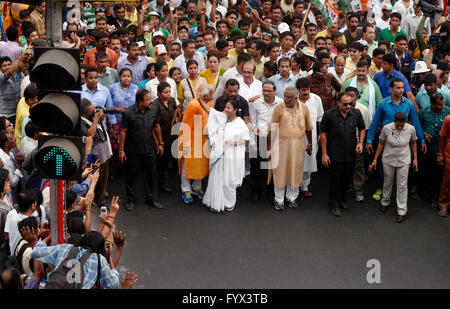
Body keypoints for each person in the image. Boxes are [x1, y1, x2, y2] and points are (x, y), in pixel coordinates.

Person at [366, 78, 427, 201]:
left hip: (404, 141)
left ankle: (399, 193)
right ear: (391, 89)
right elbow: (375, 122)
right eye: (398, 88)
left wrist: (422, 139)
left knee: (403, 168)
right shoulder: (383, 104)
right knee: (384, 168)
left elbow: (415, 122)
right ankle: (382, 189)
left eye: (402, 87)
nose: (401, 90)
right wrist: (369, 140)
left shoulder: (409, 104)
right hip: (386, 141)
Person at [196, 86, 250, 212]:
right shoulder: (222, 117)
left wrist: (234, 143)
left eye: (229, 108)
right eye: (225, 107)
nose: (226, 110)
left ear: (235, 110)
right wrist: (199, 99)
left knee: (229, 181)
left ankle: (229, 202)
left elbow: (246, 138)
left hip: (232, 156)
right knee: (217, 179)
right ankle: (214, 201)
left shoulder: (240, 123)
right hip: (219, 154)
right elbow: (209, 110)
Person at [320, 92, 366, 217]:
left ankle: (342, 199)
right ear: (338, 102)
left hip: (351, 153)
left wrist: (361, 142)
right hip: (334, 153)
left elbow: (362, 128)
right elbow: (323, 134)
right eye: (345, 104)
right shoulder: (329, 115)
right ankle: (333, 203)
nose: (348, 106)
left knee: (346, 179)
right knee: (335, 179)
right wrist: (324, 154)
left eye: (350, 103)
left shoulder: (356, 113)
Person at [267, 86, 313, 210]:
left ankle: (292, 198)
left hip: (298, 145)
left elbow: (309, 128)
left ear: (296, 97)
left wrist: (310, 144)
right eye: (285, 96)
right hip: (281, 145)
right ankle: (279, 200)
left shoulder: (304, 109)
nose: (286, 99)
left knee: (295, 171)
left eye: (289, 97)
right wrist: (269, 148)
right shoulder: (279, 108)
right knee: (280, 172)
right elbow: (272, 129)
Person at [119, 89, 164, 211]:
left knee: (152, 174)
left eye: (150, 99)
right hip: (133, 150)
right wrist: (121, 150)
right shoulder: (128, 113)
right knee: (131, 175)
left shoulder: (153, 109)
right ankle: (130, 200)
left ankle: (151, 199)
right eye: (148, 100)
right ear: (140, 102)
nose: (151, 101)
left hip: (149, 149)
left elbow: (156, 126)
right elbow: (123, 132)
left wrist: (160, 143)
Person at [368, 112, 418, 223]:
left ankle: (402, 210)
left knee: (402, 184)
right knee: (388, 181)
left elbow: (413, 143)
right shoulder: (386, 128)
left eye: (402, 124)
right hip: (388, 158)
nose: (400, 126)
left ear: (406, 122)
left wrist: (415, 159)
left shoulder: (411, 129)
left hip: (404, 159)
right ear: (394, 121)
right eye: (397, 124)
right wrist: (375, 159)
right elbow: (381, 143)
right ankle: (385, 202)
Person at [31, 231, 121, 288]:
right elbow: (113, 284)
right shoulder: (100, 260)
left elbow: (35, 252)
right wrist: (108, 258)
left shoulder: (65, 248)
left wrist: (47, 238)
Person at [178, 84, 212, 204]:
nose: (213, 96)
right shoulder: (193, 105)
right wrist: (185, 144)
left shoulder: (207, 103)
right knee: (186, 167)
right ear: (206, 95)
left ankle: (197, 187)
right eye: (211, 93)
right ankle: (185, 189)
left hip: (203, 141)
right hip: (191, 141)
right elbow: (186, 125)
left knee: (200, 167)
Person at [248, 80, 281, 203]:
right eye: (264, 90)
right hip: (259, 138)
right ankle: (256, 191)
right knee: (256, 167)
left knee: (272, 167)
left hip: (274, 138)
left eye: (269, 91)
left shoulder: (280, 103)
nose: (266, 93)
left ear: (274, 91)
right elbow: (253, 122)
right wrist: (252, 142)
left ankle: (270, 192)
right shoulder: (256, 103)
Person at [418, 92, 450, 205]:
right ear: (432, 104)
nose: (441, 107)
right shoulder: (423, 112)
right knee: (427, 171)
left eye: (442, 104)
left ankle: (437, 197)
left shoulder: (448, 111)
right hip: (428, 149)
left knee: (440, 175)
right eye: (438, 105)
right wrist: (425, 133)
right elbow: (417, 126)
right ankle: (425, 193)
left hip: (442, 150)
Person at [80, 99, 113, 208]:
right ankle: (85, 203)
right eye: (91, 110)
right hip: (93, 156)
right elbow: (90, 135)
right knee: (92, 179)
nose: (94, 111)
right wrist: (96, 119)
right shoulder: (81, 123)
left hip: (103, 154)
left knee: (103, 179)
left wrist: (99, 119)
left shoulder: (92, 118)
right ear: (84, 114)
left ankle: (100, 200)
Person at [296, 78, 324, 198]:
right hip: (295, 138)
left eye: (308, 89)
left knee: (309, 161)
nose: (306, 92)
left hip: (311, 138)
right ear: (298, 90)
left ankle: (305, 186)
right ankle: (294, 186)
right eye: (303, 90)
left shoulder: (316, 99)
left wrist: (320, 134)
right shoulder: (292, 100)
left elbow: (320, 119)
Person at [154, 82, 179, 193]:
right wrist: (158, 142)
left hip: (170, 135)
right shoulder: (155, 105)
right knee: (159, 161)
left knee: (166, 159)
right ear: (159, 93)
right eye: (165, 92)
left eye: (169, 91)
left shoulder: (172, 100)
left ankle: (162, 182)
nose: (168, 94)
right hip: (160, 136)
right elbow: (155, 125)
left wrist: (173, 121)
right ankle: (157, 184)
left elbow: (175, 109)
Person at [437, 114, 450, 217]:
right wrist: (440, 154)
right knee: (447, 181)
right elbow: (442, 137)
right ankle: (443, 205)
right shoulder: (448, 119)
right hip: (448, 156)